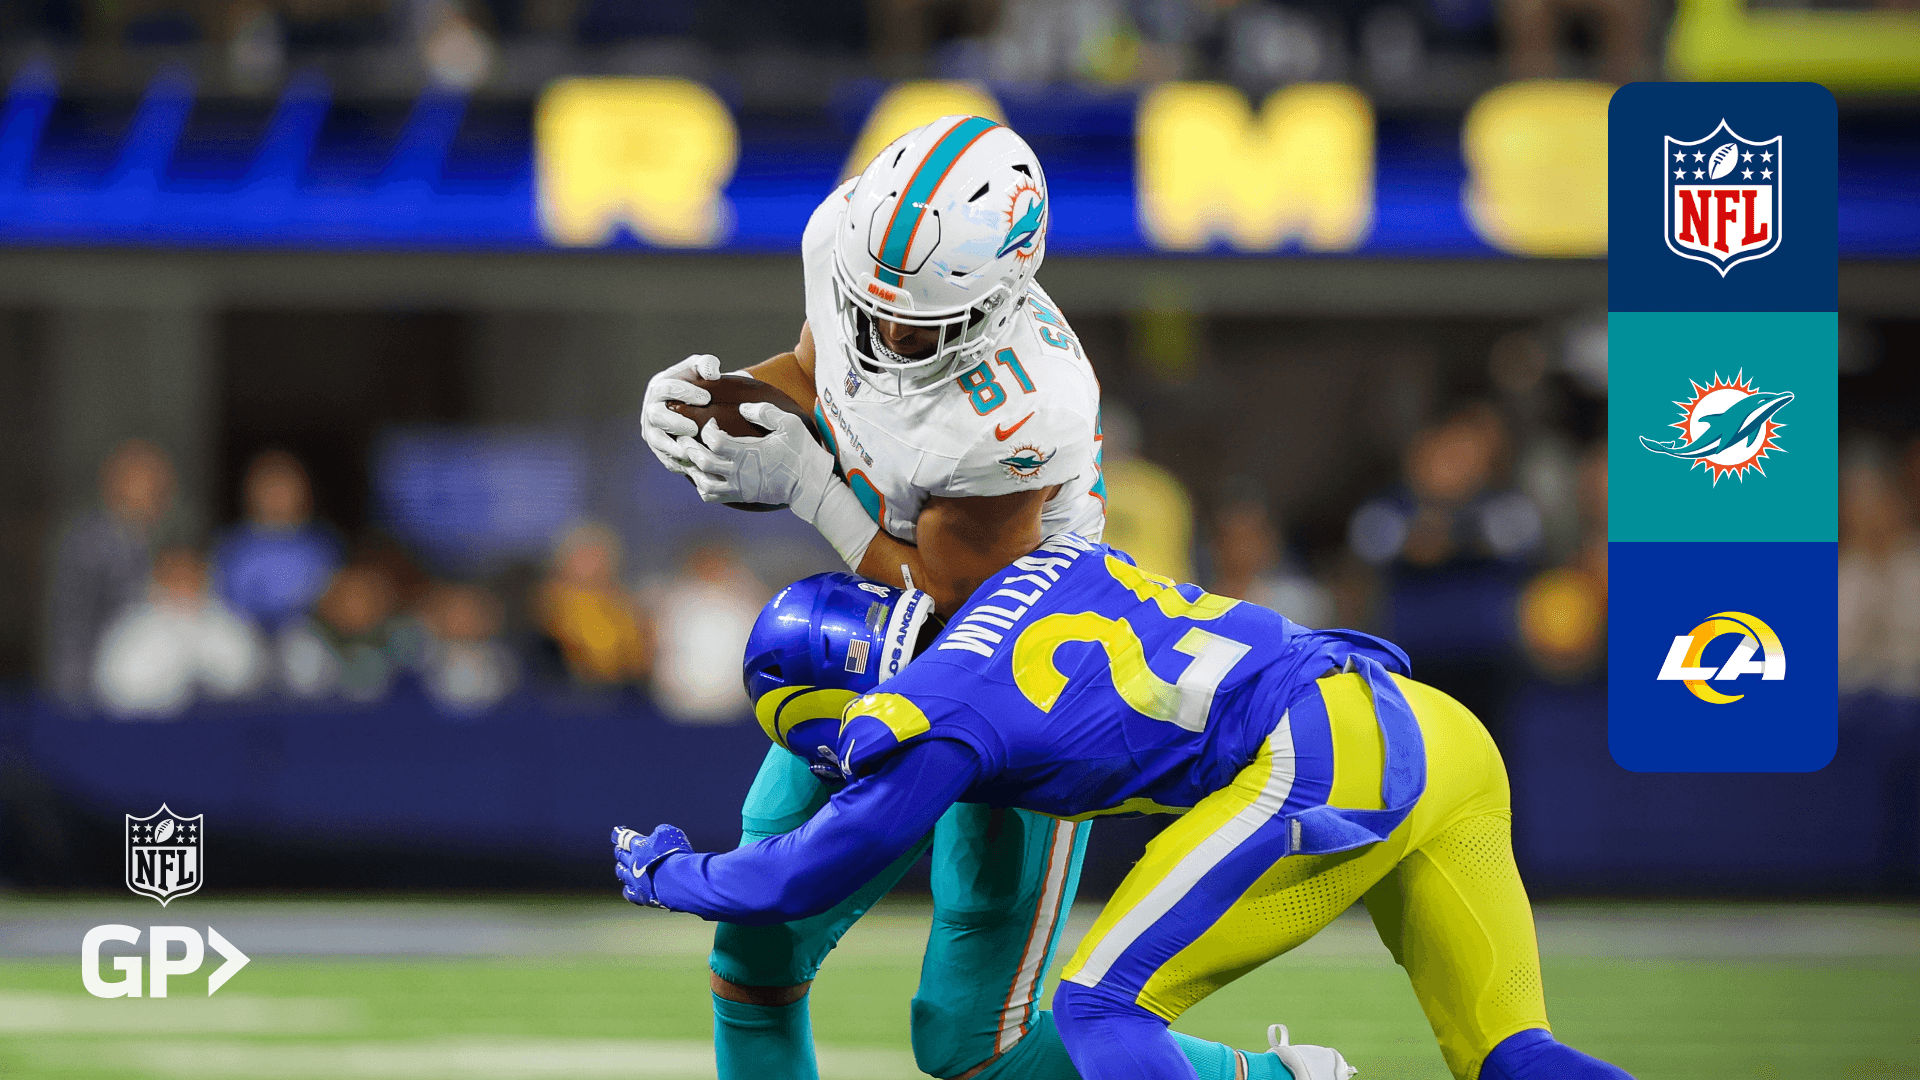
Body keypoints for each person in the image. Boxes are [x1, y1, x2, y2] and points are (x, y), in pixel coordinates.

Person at [637, 117, 1269, 1080]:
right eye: (872, 307)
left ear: (1000, 300)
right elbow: (814, 374)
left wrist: (809, 489)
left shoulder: (1025, 407)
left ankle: (1275, 1078)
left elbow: (957, 597)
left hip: (1014, 677)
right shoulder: (844, 243)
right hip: (890, 636)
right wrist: (711, 405)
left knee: (971, 1044)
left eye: (918, 326)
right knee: (753, 955)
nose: (887, 336)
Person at [613, 534, 1635, 1080]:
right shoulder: (1036, 561)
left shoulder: (931, 715)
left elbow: (802, 876)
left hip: (1322, 758)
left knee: (1100, 1010)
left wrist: (670, 871)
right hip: (1433, 725)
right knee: (1515, 1057)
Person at [45, 439, 180, 704]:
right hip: (96, 691)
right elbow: (73, 627)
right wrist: (76, 696)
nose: (156, 492)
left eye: (161, 485)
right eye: (144, 482)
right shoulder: (88, 543)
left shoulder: (160, 541)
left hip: (150, 690)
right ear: (114, 486)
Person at [93, 546, 267, 718]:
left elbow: (249, 676)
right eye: (176, 578)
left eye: (191, 576)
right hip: (148, 725)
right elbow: (116, 689)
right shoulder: (131, 629)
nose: (184, 586)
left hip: (222, 722)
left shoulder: (228, 624)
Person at [211, 450, 341, 632]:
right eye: (269, 489)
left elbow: (335, 602)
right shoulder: (230, 545)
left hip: (306, 634)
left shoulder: (323, 546)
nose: (276, 497)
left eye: (284, 489)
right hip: (239, 632)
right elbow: (219, 599)